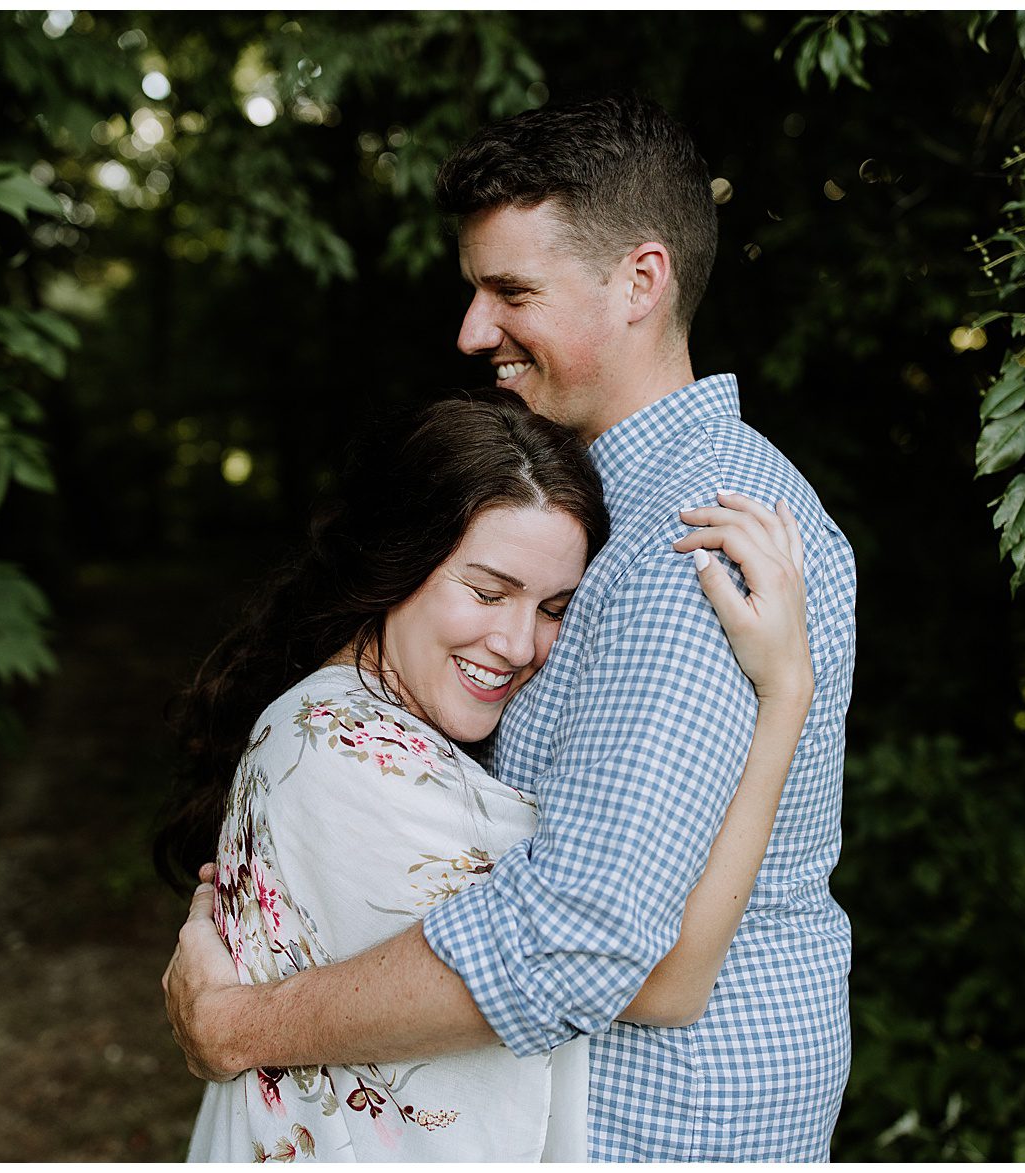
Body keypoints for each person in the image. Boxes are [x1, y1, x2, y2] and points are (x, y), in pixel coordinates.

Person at [165, 92, 856, 1161]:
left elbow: (588, 937)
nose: (471, 330)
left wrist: (241, 1024)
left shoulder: (696, 538)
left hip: (655, 1126)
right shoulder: (595, 517)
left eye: (510, 290)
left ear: (640, 280)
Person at [158, 389, 814, 1160]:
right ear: (397, 562)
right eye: (487, 591)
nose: (515, 642)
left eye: (554, 607)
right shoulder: (351, 754)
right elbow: (662, 977)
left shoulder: (348, 721)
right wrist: (785, 693)